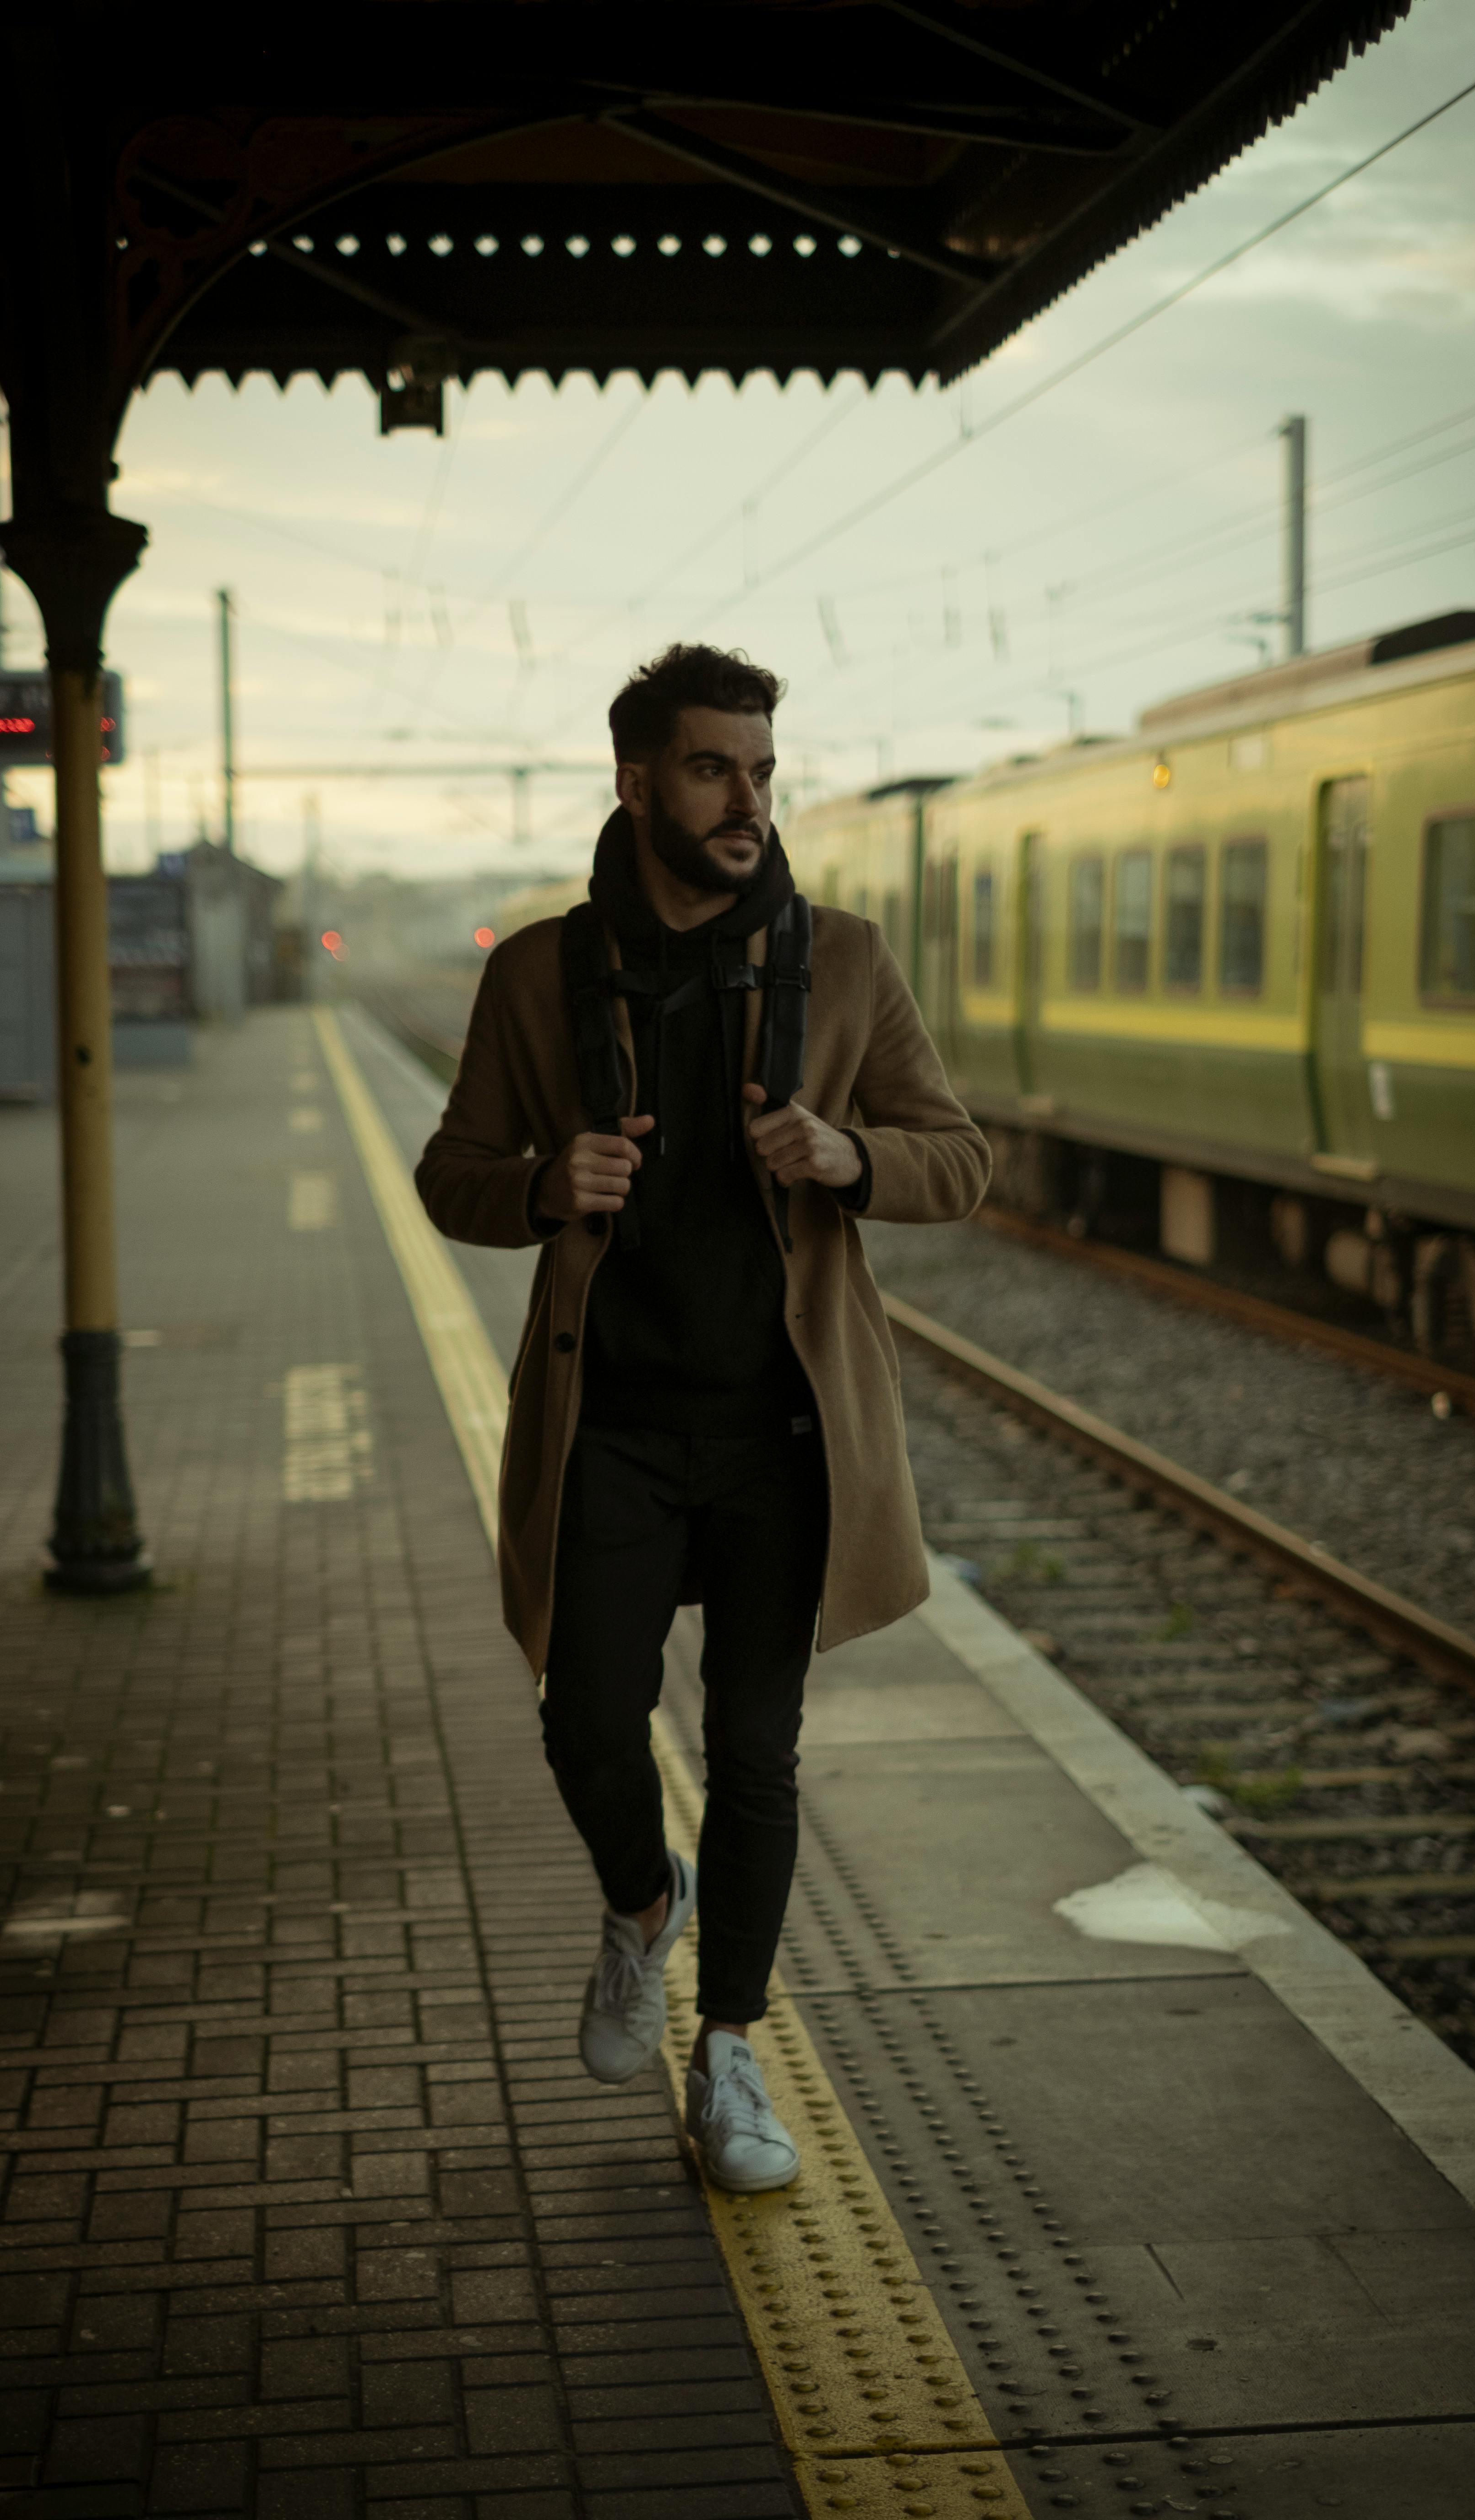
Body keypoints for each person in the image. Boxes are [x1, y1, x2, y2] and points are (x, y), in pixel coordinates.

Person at [415, 643, 989, 2191]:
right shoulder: (536, 971)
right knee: (585, 1721)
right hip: (609, 1426)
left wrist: (848, 1157)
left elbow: (959, 1158)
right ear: (637, 781)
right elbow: (449, 1175)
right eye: (713, 769)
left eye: (761, 772)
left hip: (780, 1441)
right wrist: (543, 1186)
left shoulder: (848, 962)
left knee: (757, 1753)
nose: (748, 801)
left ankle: (728, 2053)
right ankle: (639, 1901)